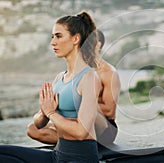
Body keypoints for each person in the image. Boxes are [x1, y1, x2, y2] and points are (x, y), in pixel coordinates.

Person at [0, 11, 108, 162]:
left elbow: (81, 131)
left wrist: (51, 113)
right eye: (52, 37)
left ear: (75, 39)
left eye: (58, 36)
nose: (53, 42)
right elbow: (38, 124)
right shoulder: (60, 77)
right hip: (58, 154)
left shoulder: (89, 78)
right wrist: (43, 113)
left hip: (80, 158)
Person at [26, 29, 121, 147]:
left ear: (98, 45)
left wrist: (80, 101)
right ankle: (73, 140)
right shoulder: (72, 73)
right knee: (32, 129)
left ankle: (77, 138)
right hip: (75, 123)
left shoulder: (108, 73)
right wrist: (50, 107)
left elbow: (109, 111)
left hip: (103, 127)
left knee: (88, 112)